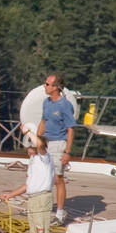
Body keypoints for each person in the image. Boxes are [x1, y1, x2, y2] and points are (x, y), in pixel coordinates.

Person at [0, 132, 55, 233]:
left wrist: (28, 130)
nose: (27, 146)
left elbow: (40, 144)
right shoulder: (33, 161)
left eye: (30, 143)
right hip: (33, 199)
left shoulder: (44, 158)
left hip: (42, 199)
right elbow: (28, 186)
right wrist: (9, 195)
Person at [36, 73, 76, 223]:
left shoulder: (65, 105)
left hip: (58, 144)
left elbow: (70, 129)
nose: (44, 86)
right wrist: (37, 141)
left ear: (56, 88)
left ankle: (59, 213)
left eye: (47, 84)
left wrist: (67, 152)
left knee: (57, 178)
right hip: (45, 143)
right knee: (42, 175)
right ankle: (43, 206)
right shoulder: (46, 102)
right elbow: (43, 122)